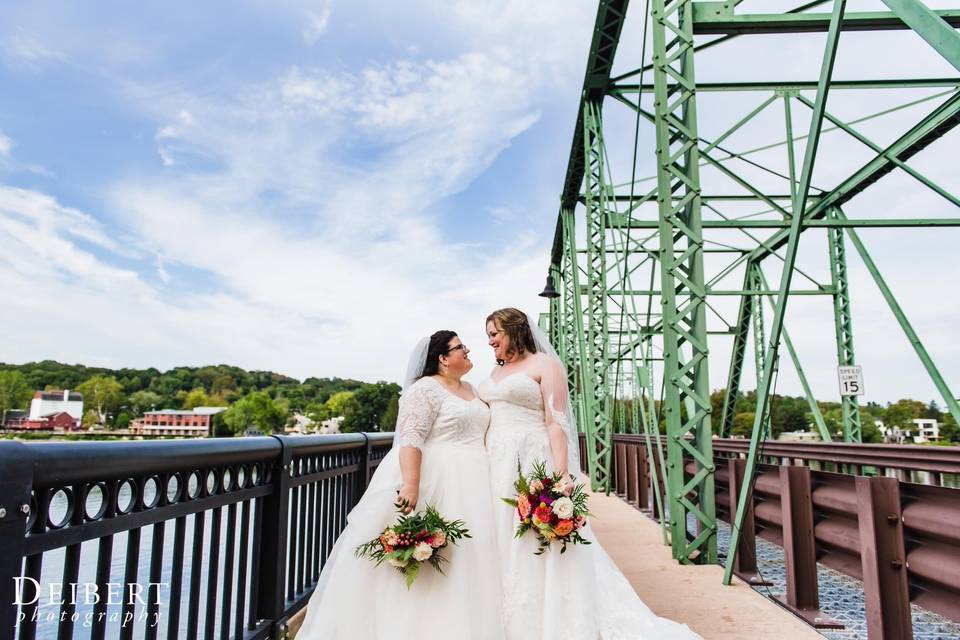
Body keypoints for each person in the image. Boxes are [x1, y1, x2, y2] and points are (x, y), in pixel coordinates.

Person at [479, 307, 702, 640]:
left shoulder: (546, 365)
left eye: (494, 334)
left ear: (514, 330)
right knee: (503, 535)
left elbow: (557, 422)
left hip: (531, 457)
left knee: (536, 536)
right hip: (496, 462)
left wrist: (561, 474)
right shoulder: (495, 373)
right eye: (488, 336)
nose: (490, 342)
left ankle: (551, 616)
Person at [297, 331, 505, 640]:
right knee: (438, 559)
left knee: (474, 559)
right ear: (443, 359)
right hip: (441, 477)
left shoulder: (472, 390)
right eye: (461, 346)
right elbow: (411, 437)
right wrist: (411, 483)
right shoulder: (424, 389)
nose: (468, 349)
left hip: (478, 480)